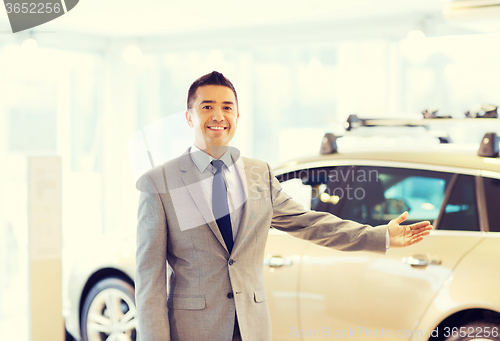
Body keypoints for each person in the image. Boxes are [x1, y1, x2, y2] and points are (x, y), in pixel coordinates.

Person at [135, 71, 433, 341]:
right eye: (207, 106)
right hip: (192, 332)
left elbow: (309, 223)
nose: (218, 115)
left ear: (237, 116)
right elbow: (149, 281)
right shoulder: (160, 183)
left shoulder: (258, 174)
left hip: (252, 327)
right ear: (189, 117)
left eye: (227, 107)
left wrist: (378, 235)